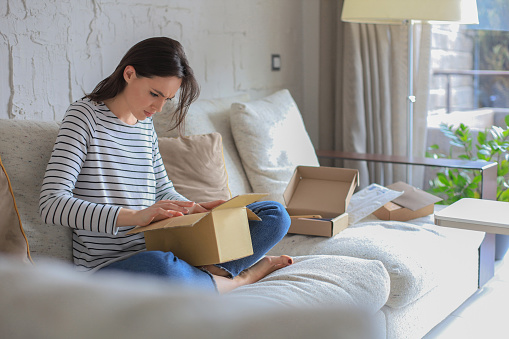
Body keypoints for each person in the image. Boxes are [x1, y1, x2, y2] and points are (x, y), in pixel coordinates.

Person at [39, 37, 292, 293]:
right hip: (111, 267)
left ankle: (207, 276)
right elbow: (51, 204)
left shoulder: (144, 125)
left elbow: (162, 189)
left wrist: (193, 209)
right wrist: (136, 217)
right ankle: (237, 280)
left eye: (167, 99)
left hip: (166, 246)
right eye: (154, 94)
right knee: (161, 267)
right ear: (129, 74)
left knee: (274, 214)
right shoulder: (84, 117)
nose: (159, 108)